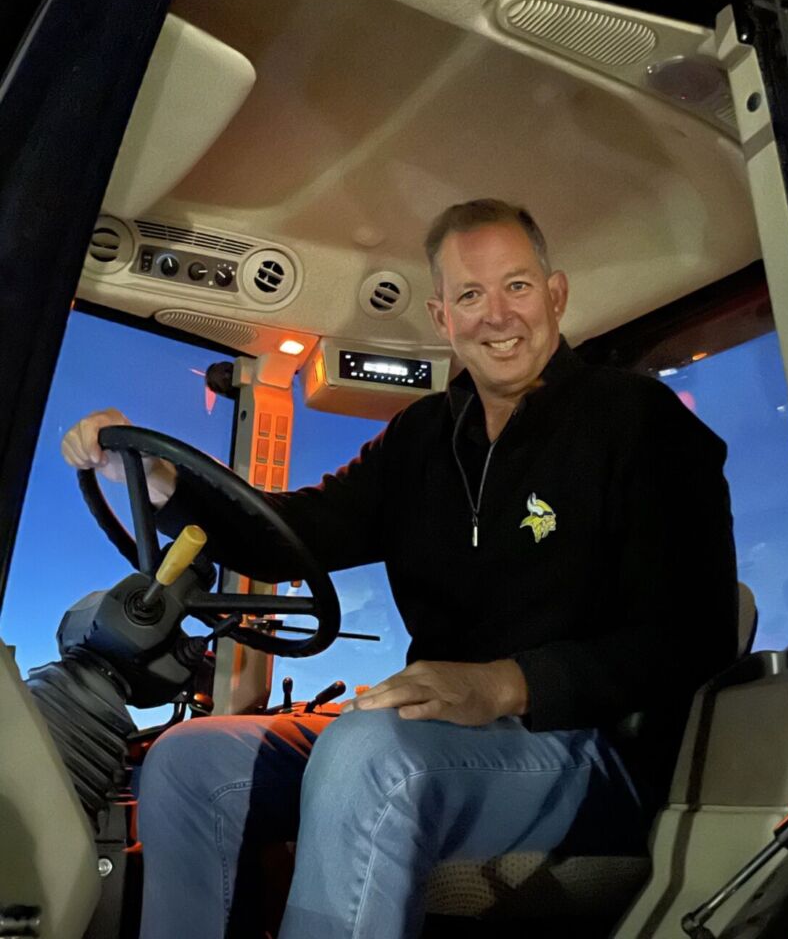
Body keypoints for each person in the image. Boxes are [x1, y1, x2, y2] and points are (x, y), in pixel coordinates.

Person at [62, 198, 738, 939]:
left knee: (371, 754)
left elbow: (692, 637)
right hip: (433, 735)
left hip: (588, 751)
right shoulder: (420, 439)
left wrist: (503, 683)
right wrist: (164, 481)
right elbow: (289, 537)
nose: (496, 316)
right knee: (188, 761)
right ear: (442, 316)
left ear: (556, 294)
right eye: (471, 296)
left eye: (516, 286)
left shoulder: (640, 421)